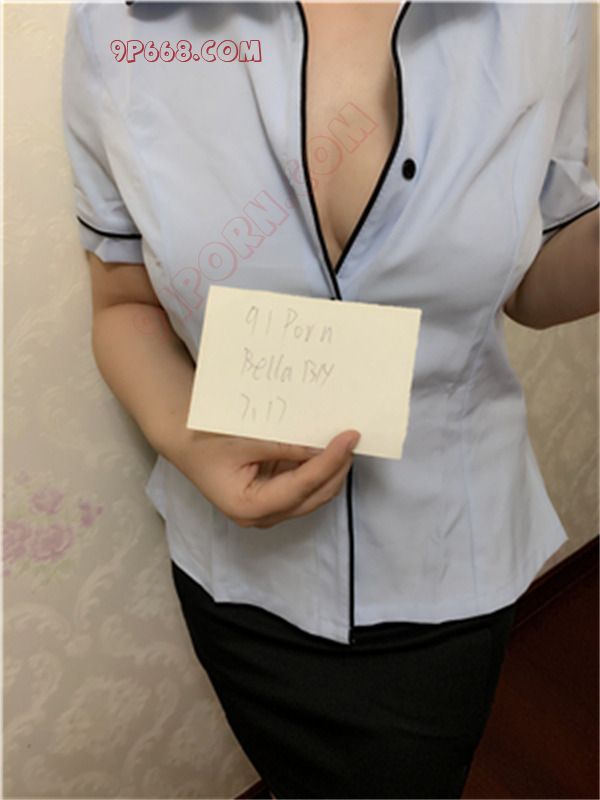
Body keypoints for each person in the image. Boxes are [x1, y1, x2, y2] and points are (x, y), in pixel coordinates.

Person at [61, 1, 600, 797]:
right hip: (241, 580)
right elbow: (123, 304)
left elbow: (535, 275)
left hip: (447, 561)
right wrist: (188, 438)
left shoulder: (541, 13)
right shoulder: (121, 26)